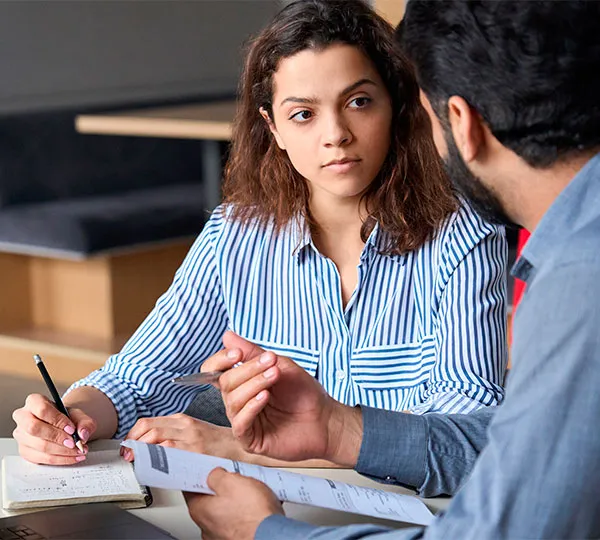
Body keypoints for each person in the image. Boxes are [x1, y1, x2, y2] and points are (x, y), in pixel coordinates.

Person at [12, 0, 506, 467]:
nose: (335, 133)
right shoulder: (237, 235)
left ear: (394, 105)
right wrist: (70, 417)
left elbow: (466, 433)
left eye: (358, 101)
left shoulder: (462, 235)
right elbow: (139, 376)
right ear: (273, 129)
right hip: (274, 510)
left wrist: (247, 449)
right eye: (303, 114)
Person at [182, 0, 600, 538]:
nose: (336, 134)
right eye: (303, 113)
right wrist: (335, 429)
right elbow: (502, 455)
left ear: (458, 123)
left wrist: (262, 532)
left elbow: (494, 526)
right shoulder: (574, 253)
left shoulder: (575, 283)